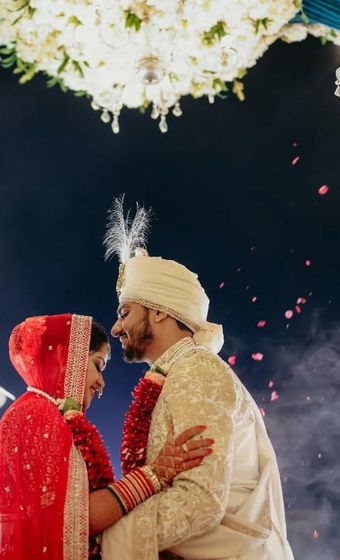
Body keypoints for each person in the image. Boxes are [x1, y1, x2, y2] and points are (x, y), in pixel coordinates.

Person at [101, 199, 294, 560]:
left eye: (124, 312)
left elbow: (200, 503)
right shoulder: (180, 373)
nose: (115, 328)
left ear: (159, 312)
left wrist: (101, 534)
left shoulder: (196, 372)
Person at [0, 313, 213, 560]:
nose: (101, 382)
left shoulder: (40, 412)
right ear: (68, 357)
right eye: (98, 365)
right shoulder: (37, 415)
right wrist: (155, 474)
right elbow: (75, 519)